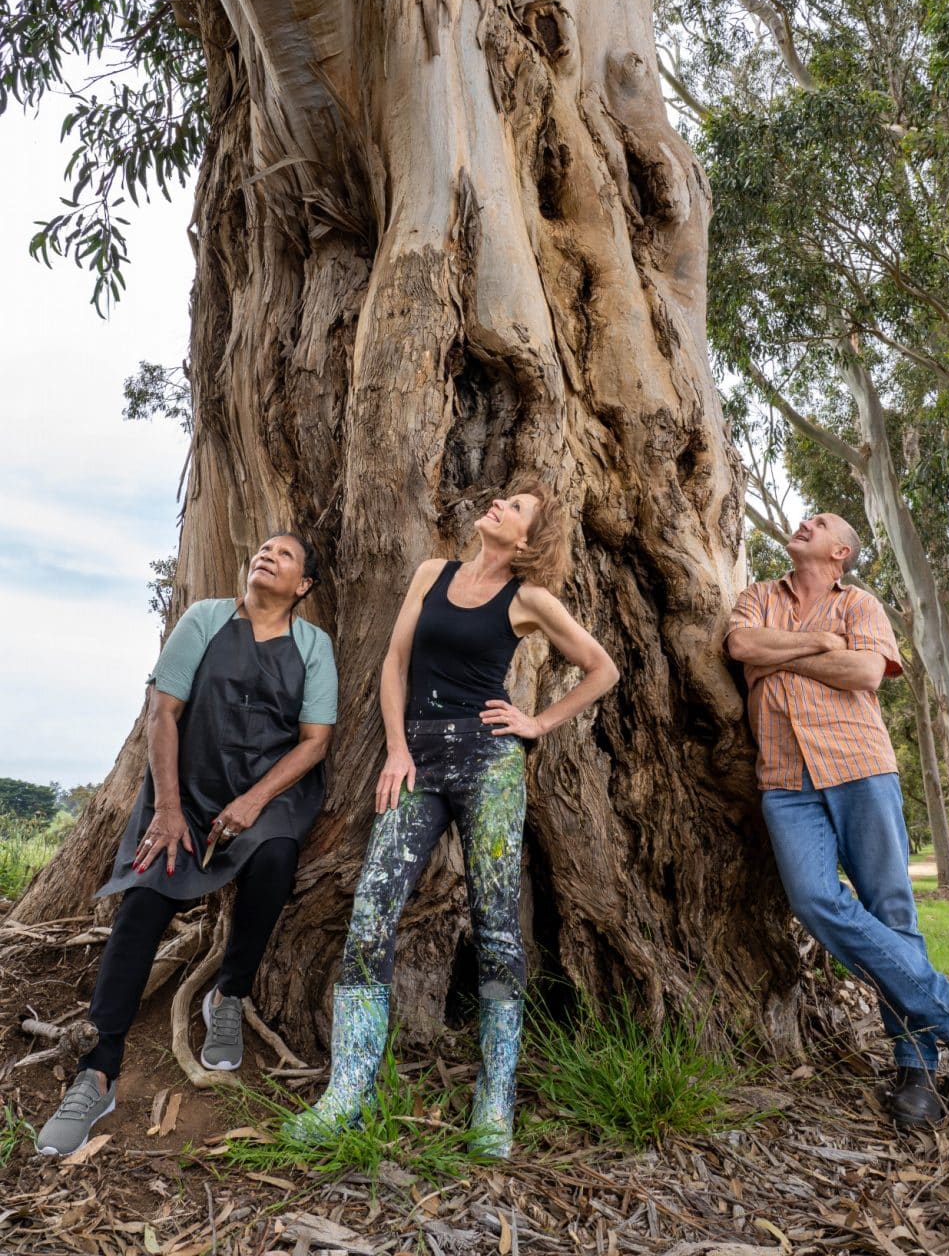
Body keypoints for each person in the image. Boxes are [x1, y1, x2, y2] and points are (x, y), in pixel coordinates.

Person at [283, 479, 619, 1158]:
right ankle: (348, 1090)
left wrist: (537, 722)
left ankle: (493, 1100)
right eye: (503, 500)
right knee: (371, 912)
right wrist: (397, 750)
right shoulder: (433, 573)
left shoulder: (529, 599)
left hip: (490, 763)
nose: (498, 506)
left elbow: (601, 668)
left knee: (496, 925)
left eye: (515, 509)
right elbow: (395, 661)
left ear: (527, 541)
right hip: (419, 760)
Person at [35, 532, 338, 1156]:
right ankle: (100, 1069)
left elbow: (314, 740)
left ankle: (230, 993)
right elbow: (162, 711)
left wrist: (254, 802)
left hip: (266, 797)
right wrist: (169, 809)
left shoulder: (314, 646)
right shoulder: (203, 619)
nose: (267, 555)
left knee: (275, 856)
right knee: (145, 896)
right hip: (186, 793)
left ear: (303, 587)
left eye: (284, 555)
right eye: (262, 548)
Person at [726, 512, 949, 1128]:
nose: (805, 522)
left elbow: (863, 672)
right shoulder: (756, 597)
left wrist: (788, 656)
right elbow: (742, 646)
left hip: (858, 764)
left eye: (820, 522)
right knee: (813, 900)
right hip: (784, 777)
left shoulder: (860, 603)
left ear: (842, 553)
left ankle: (916, 1070)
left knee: (890, 910)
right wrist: (819, 645)